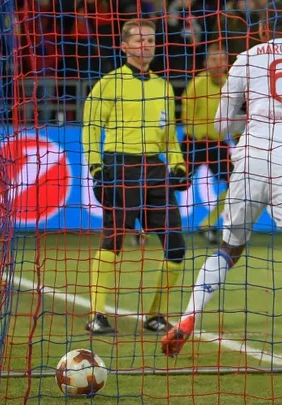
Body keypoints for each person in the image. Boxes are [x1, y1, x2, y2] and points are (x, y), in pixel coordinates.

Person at [160, 0, 282, 357]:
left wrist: (253, 118)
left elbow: (222, 124)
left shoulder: (247, 58)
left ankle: (188, 317)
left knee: (228, 248)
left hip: (251, 158)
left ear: (263, 28)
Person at [81, 18, 191, 335]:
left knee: (176, 246)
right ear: (124, 46)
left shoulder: (164, 87)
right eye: (139, 39)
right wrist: (96, 167)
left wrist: (178, 164)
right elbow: (91, 128)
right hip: (121, 165)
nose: (146, 44)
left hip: (155, 169)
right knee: (113, 239)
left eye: (151, 39)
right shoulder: (109, 83)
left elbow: (169, 136)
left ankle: (155, 315)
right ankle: (97, 315)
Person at [180, 43, 237, 244]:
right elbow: (186, 116)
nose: (218, 63)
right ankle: (145, 227)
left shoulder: (232, 85)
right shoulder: (197, 84)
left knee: (236, 185)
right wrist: (200, 134)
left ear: (227, 63)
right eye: (213, 59)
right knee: (174, 183)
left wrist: (236, 135)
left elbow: (237, 114)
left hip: (218, 144)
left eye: (222, 59)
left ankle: (207, 225)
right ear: (206, 63)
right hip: (194, 143)